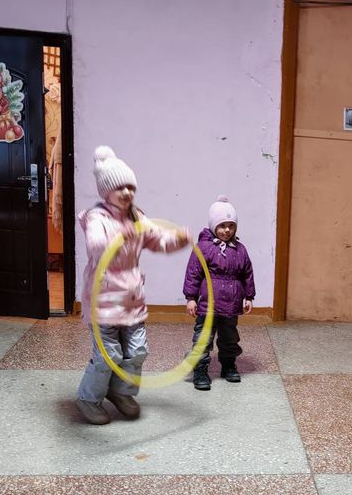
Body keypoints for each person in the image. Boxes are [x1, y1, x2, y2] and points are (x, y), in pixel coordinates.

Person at [74, 146, 190, 424]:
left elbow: (157, 239)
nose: (126, 192)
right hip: (103, 302)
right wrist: (120, 236)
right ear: (106, 191)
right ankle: (88, 398)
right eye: (119, 187)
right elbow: (96, 246)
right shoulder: (97, 217)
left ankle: (121, 392)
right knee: (108, 356)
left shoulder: (137, 216)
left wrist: (177, 239)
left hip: (131, 300)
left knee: (137, 351)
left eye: (130, 187)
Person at [184, 196, 256, 391]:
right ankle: (200, 369)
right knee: (203, 337)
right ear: (213, 226)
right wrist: (191, 298)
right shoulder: (203, 248)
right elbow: (193, 273)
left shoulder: (240, 250)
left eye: (231, 226)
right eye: (222, 225)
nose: (227, 230)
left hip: (231, 305)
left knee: (229, 338)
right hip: (208, 305)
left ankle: (228, 364)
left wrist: (249, 296)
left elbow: (247, 274)